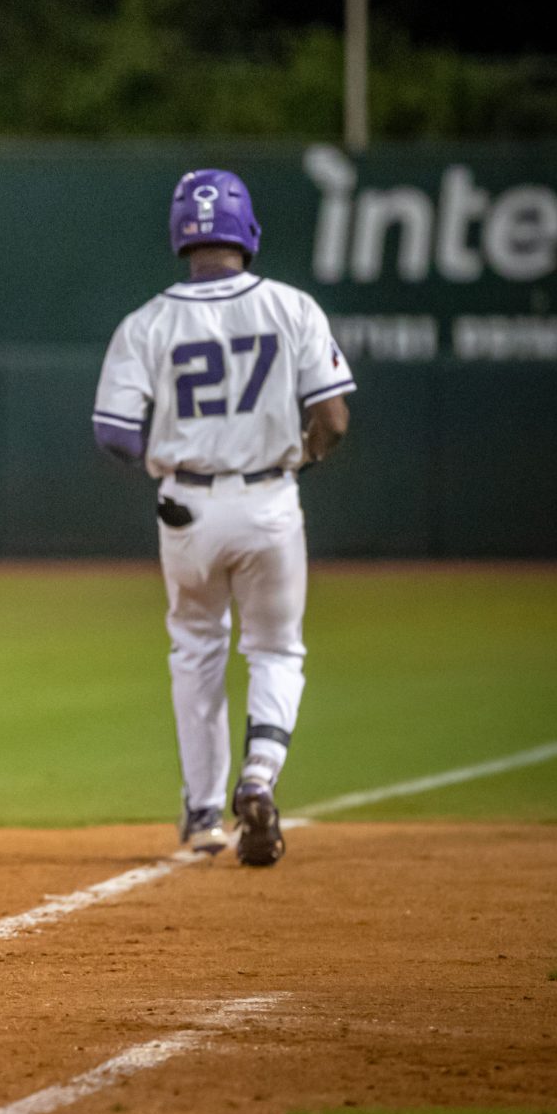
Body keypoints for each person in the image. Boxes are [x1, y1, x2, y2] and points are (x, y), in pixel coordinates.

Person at [93, 168, 355, 868]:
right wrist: (304, 454)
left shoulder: (147, 321)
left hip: (187, 506)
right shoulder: (293, 307)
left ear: (181, 234)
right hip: (270, 501)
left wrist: (172, 459)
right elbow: (332, 415)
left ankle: (204, 814)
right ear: (248, 231)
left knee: (196, 651)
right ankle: (260, 775)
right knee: (275, 650)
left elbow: (114, 432)